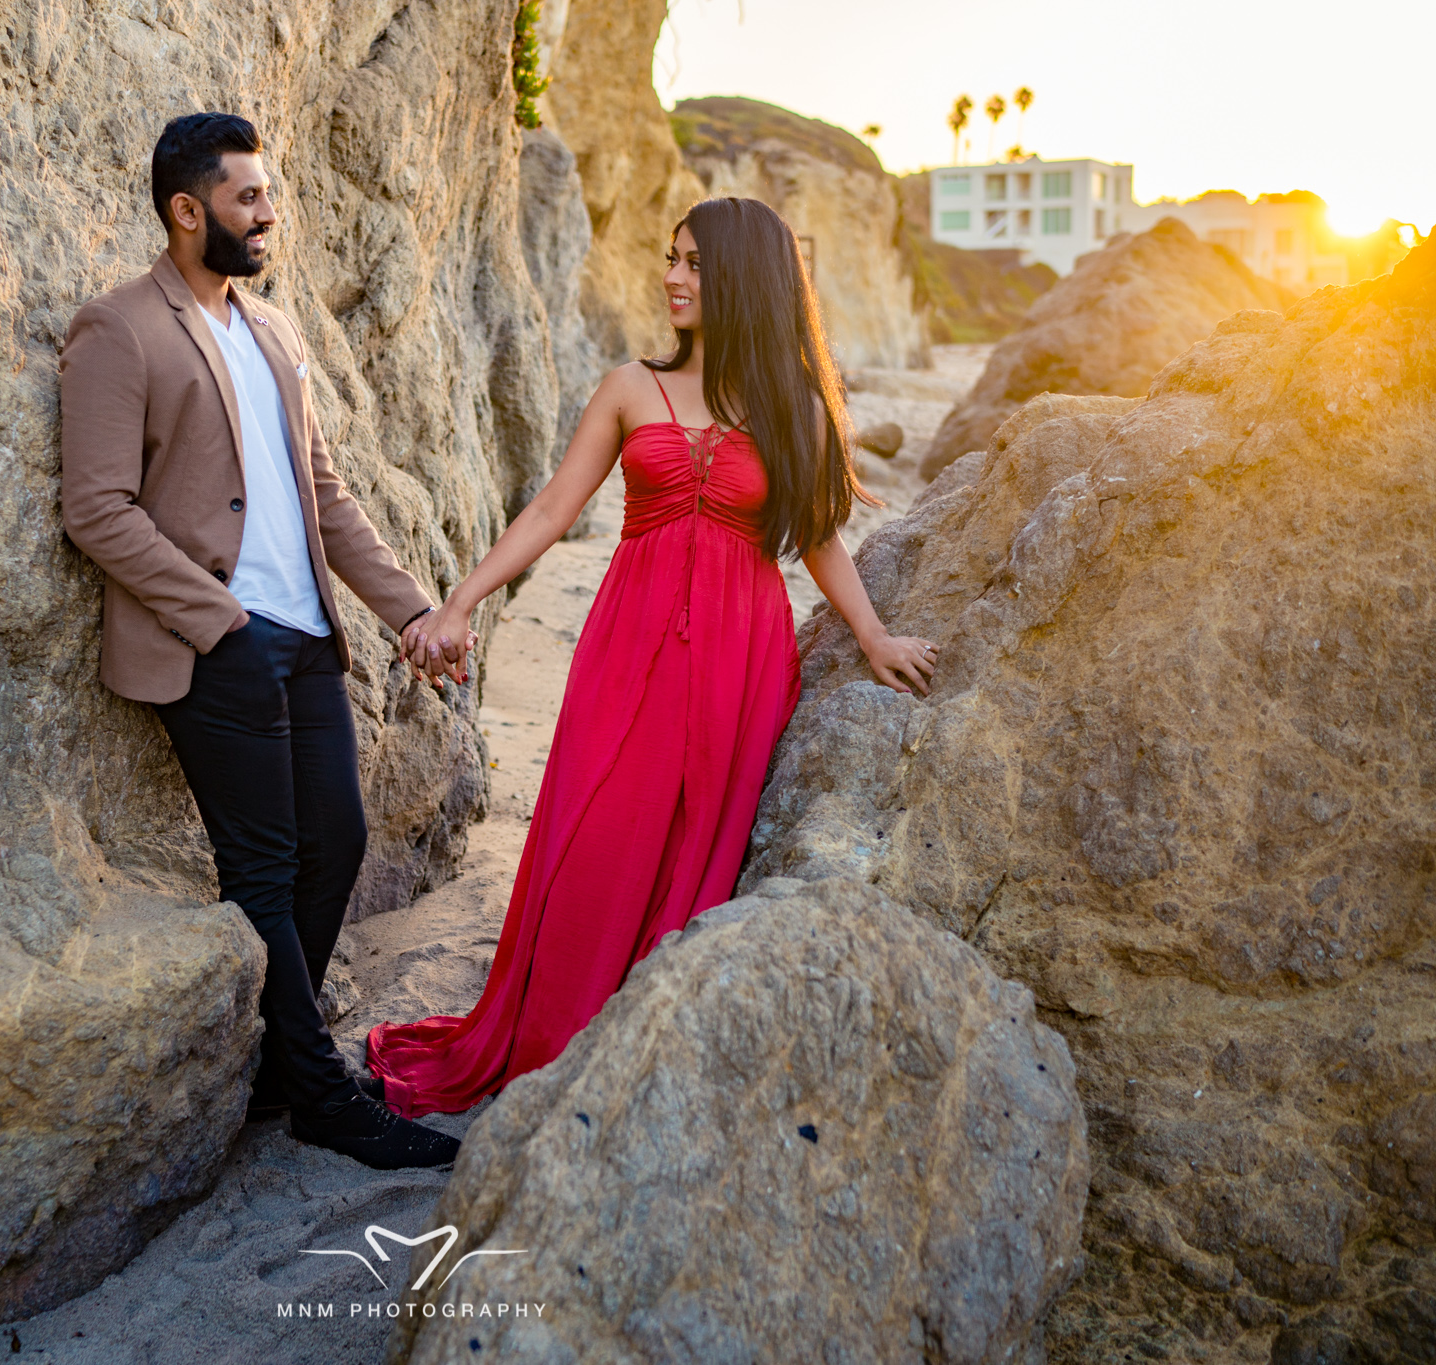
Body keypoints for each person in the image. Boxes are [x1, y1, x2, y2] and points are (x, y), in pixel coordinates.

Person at [367, 197, 939, 1116]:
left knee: (689, 851)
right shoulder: (631, 386)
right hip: (627, 643)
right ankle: (550, 1034)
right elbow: (554, 510)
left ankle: (639, 1043)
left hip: (739, 660)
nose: (672, 277)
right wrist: (461, 600)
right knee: (593, 830)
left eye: (695, 264)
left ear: (745, 280)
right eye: (669, 258)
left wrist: (873, 636)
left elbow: (822, 535)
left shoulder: (795, 405)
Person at [58, 112, 459, 1169]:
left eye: (267, 193)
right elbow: (95, 509)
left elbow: (322, 491)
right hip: (214, 644)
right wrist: (217, 620)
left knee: (336, 843)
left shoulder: (273, 330)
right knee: (264, 866)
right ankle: (321, 1093)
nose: (268, 212)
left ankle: (281, 1074)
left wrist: (407, 611)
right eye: (246, 198)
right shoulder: (118, 328)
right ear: (187, 211)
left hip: (308, 634)